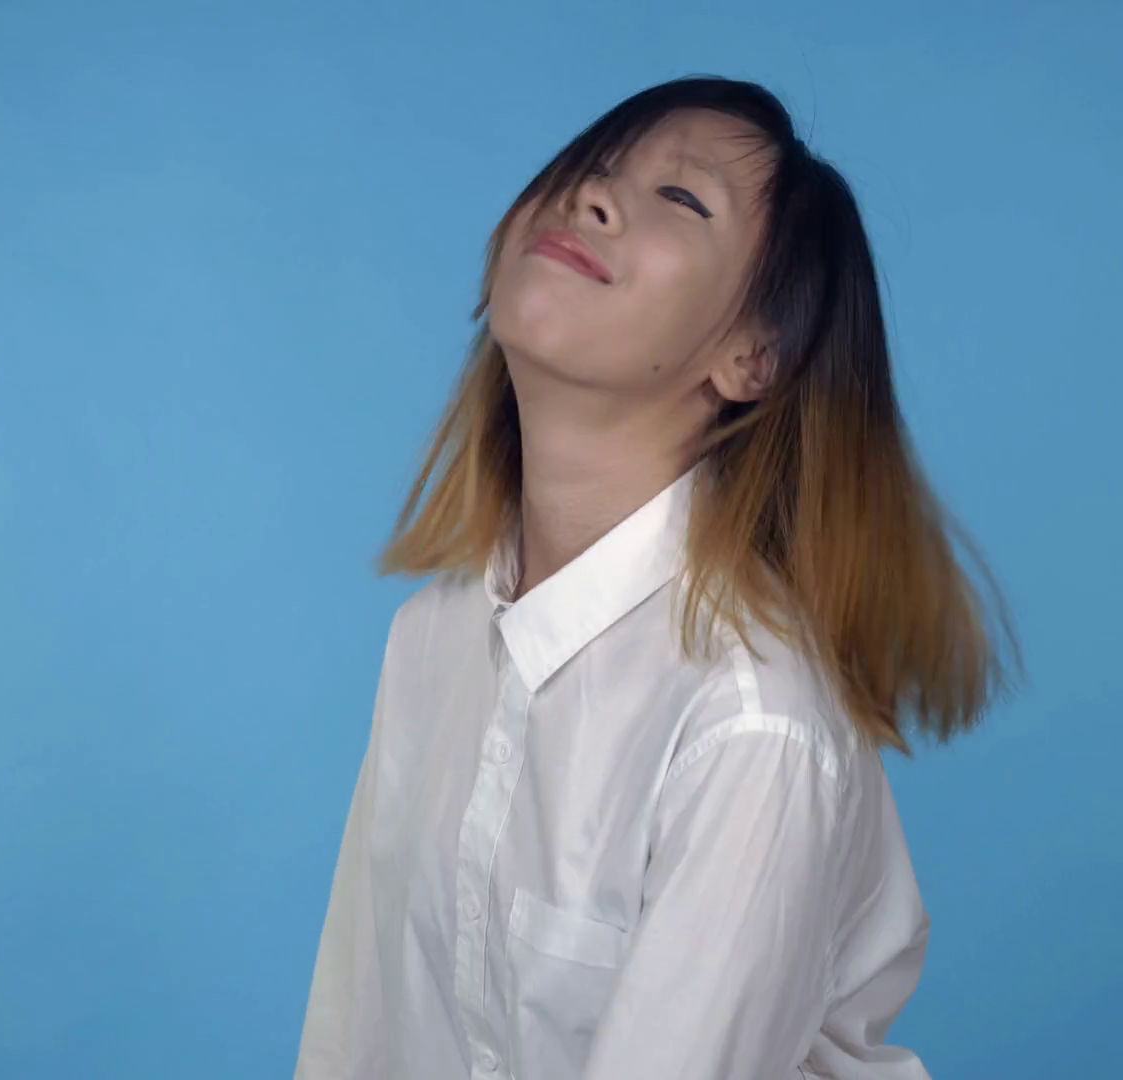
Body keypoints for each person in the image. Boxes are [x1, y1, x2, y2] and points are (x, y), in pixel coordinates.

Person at [294, 74, 1017, 1080]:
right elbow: (356, 1040)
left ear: (752, 356)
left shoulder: (753, 723)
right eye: (592, 168)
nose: (590, 196)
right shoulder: (433, 636)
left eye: (681, 196)